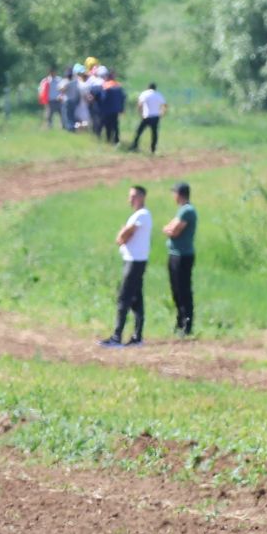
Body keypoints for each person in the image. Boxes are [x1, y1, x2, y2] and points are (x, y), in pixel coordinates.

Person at [101, 186, 151, 348]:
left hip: (134, 261)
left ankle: (117, 337)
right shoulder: (138, 215)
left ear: (142, 197)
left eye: (134, 196)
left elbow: (126, 234)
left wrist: (122, 234)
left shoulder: (142, 215)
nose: (130, 199)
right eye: (130, 196)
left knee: (124, 298)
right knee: (136, 299)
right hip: (134, 260)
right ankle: (137, 337)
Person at [162, 182, 197, 337]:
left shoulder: (187, 211)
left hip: (183, 255)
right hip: (175, 254)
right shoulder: (181, 211)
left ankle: (187, 323)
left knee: (183, 290)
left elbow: (173, 231)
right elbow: (169, 228)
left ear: (180, 194)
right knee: (176, 289)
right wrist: (169, 229)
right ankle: (180, 321)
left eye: (174, 193)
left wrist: (169, 229)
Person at [129, 82, 165, 153]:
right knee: (154, 133)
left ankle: (134, 145)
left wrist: (140, 112)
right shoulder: (158, 94)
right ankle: (153, 149)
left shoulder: (145, 93)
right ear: (155, 88)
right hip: (155, 116)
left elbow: (140, 104)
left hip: (146, 116)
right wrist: (161, 113)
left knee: (139, 131)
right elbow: (164, 105)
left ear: (148, 87)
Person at [99, 71, 125, 146]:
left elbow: (103, 98)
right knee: (115, 125)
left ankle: (108, 139)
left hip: (107, 109)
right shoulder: (118, 85)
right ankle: (116, 140)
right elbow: (123, 97)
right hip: (116, 109)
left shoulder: (105, 86)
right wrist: (121, 108)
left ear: (107, 77)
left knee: (108, 125)